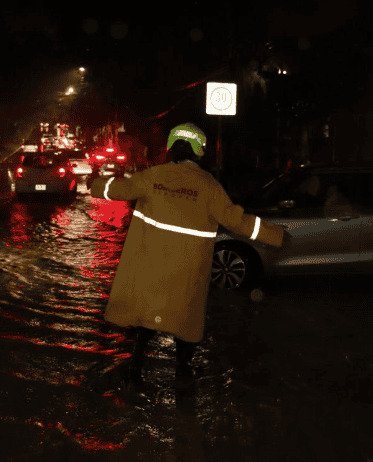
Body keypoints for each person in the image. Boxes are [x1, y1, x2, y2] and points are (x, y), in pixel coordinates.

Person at [86, 122, 287, 390]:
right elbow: (236, 220)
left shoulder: (152, 175)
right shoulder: (209, 186)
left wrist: (95, 182)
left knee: (146, 320)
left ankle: (135, 370)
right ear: (199, 151)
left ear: (171, 148)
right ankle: (182, 372)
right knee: (186, 323)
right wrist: (276, 235)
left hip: (151, 268)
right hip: (187, 272)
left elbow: (118, 190)